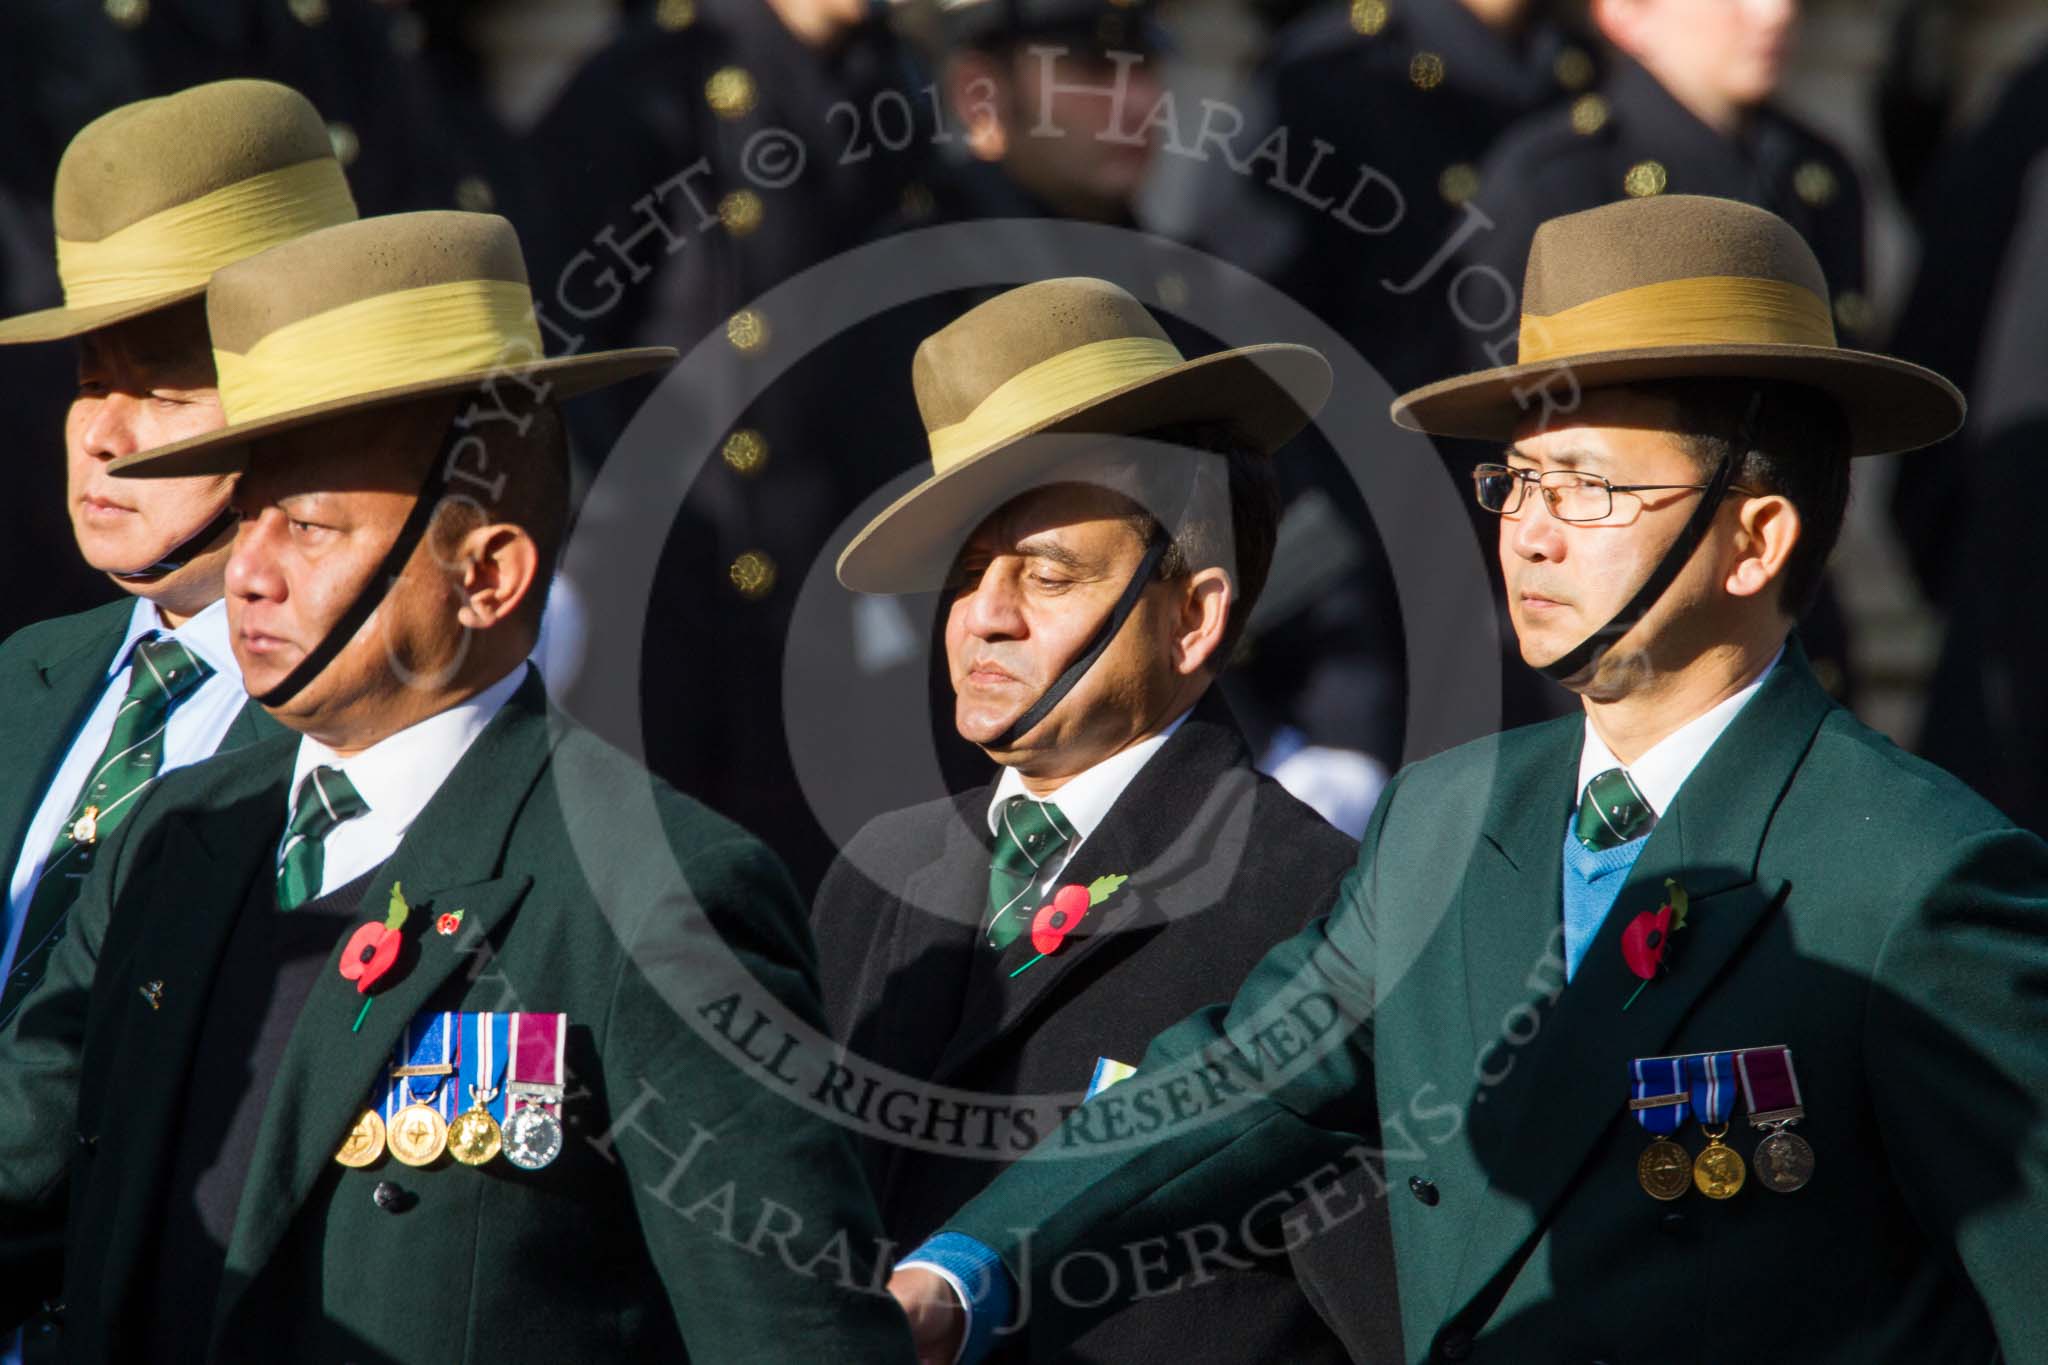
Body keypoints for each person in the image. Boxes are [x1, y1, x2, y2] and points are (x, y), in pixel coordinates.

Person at [887, 196, 2048, 1364]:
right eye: (1516, 483)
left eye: (1588, 489)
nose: (1528, 536)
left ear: (1754, 540)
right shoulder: (1446, 814)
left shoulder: (1915, 876)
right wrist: (963, 1275)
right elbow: (1240, 1084)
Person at [0, 211, 914, 1362]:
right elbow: (27, 1181)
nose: (251, 573)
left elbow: (791, 1341)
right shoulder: (177, 835)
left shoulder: (657, 894)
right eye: (245, 522)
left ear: (484, 577)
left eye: (310, 528)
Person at [812, 276, 1386, 1362]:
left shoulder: (1308, 900)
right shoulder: (876, 873)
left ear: (1192, 616)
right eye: (969, 571)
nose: (984, 615)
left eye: (1046, 572)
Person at [0, 79, 359, 1029]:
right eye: (89, 383)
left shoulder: (363, 716)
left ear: (295, 410)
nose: (103, 436)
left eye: (162, 392)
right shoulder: (22, 678)